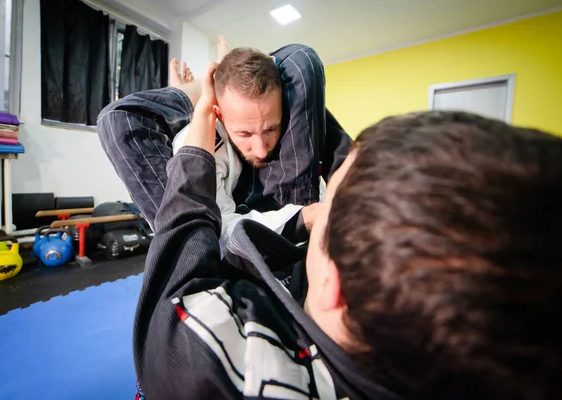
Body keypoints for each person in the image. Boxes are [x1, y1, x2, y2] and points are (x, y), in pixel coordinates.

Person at [132, 61, 562, 400]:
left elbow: (183, 229)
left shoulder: (210, 370)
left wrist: (200, 109)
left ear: (332, 285)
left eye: (329, 200)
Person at [97, 37, 351, 243]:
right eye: (245, 134)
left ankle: (215, 78)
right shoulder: (204, 139)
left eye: (271, 129)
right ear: (218, 113)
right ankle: (200, 90)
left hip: (301, 203)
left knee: (301, 58)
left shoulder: (293, 112)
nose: (261, 150)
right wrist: (308, 217)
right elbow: (220, 228)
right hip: (259, 222)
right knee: (116, 119)